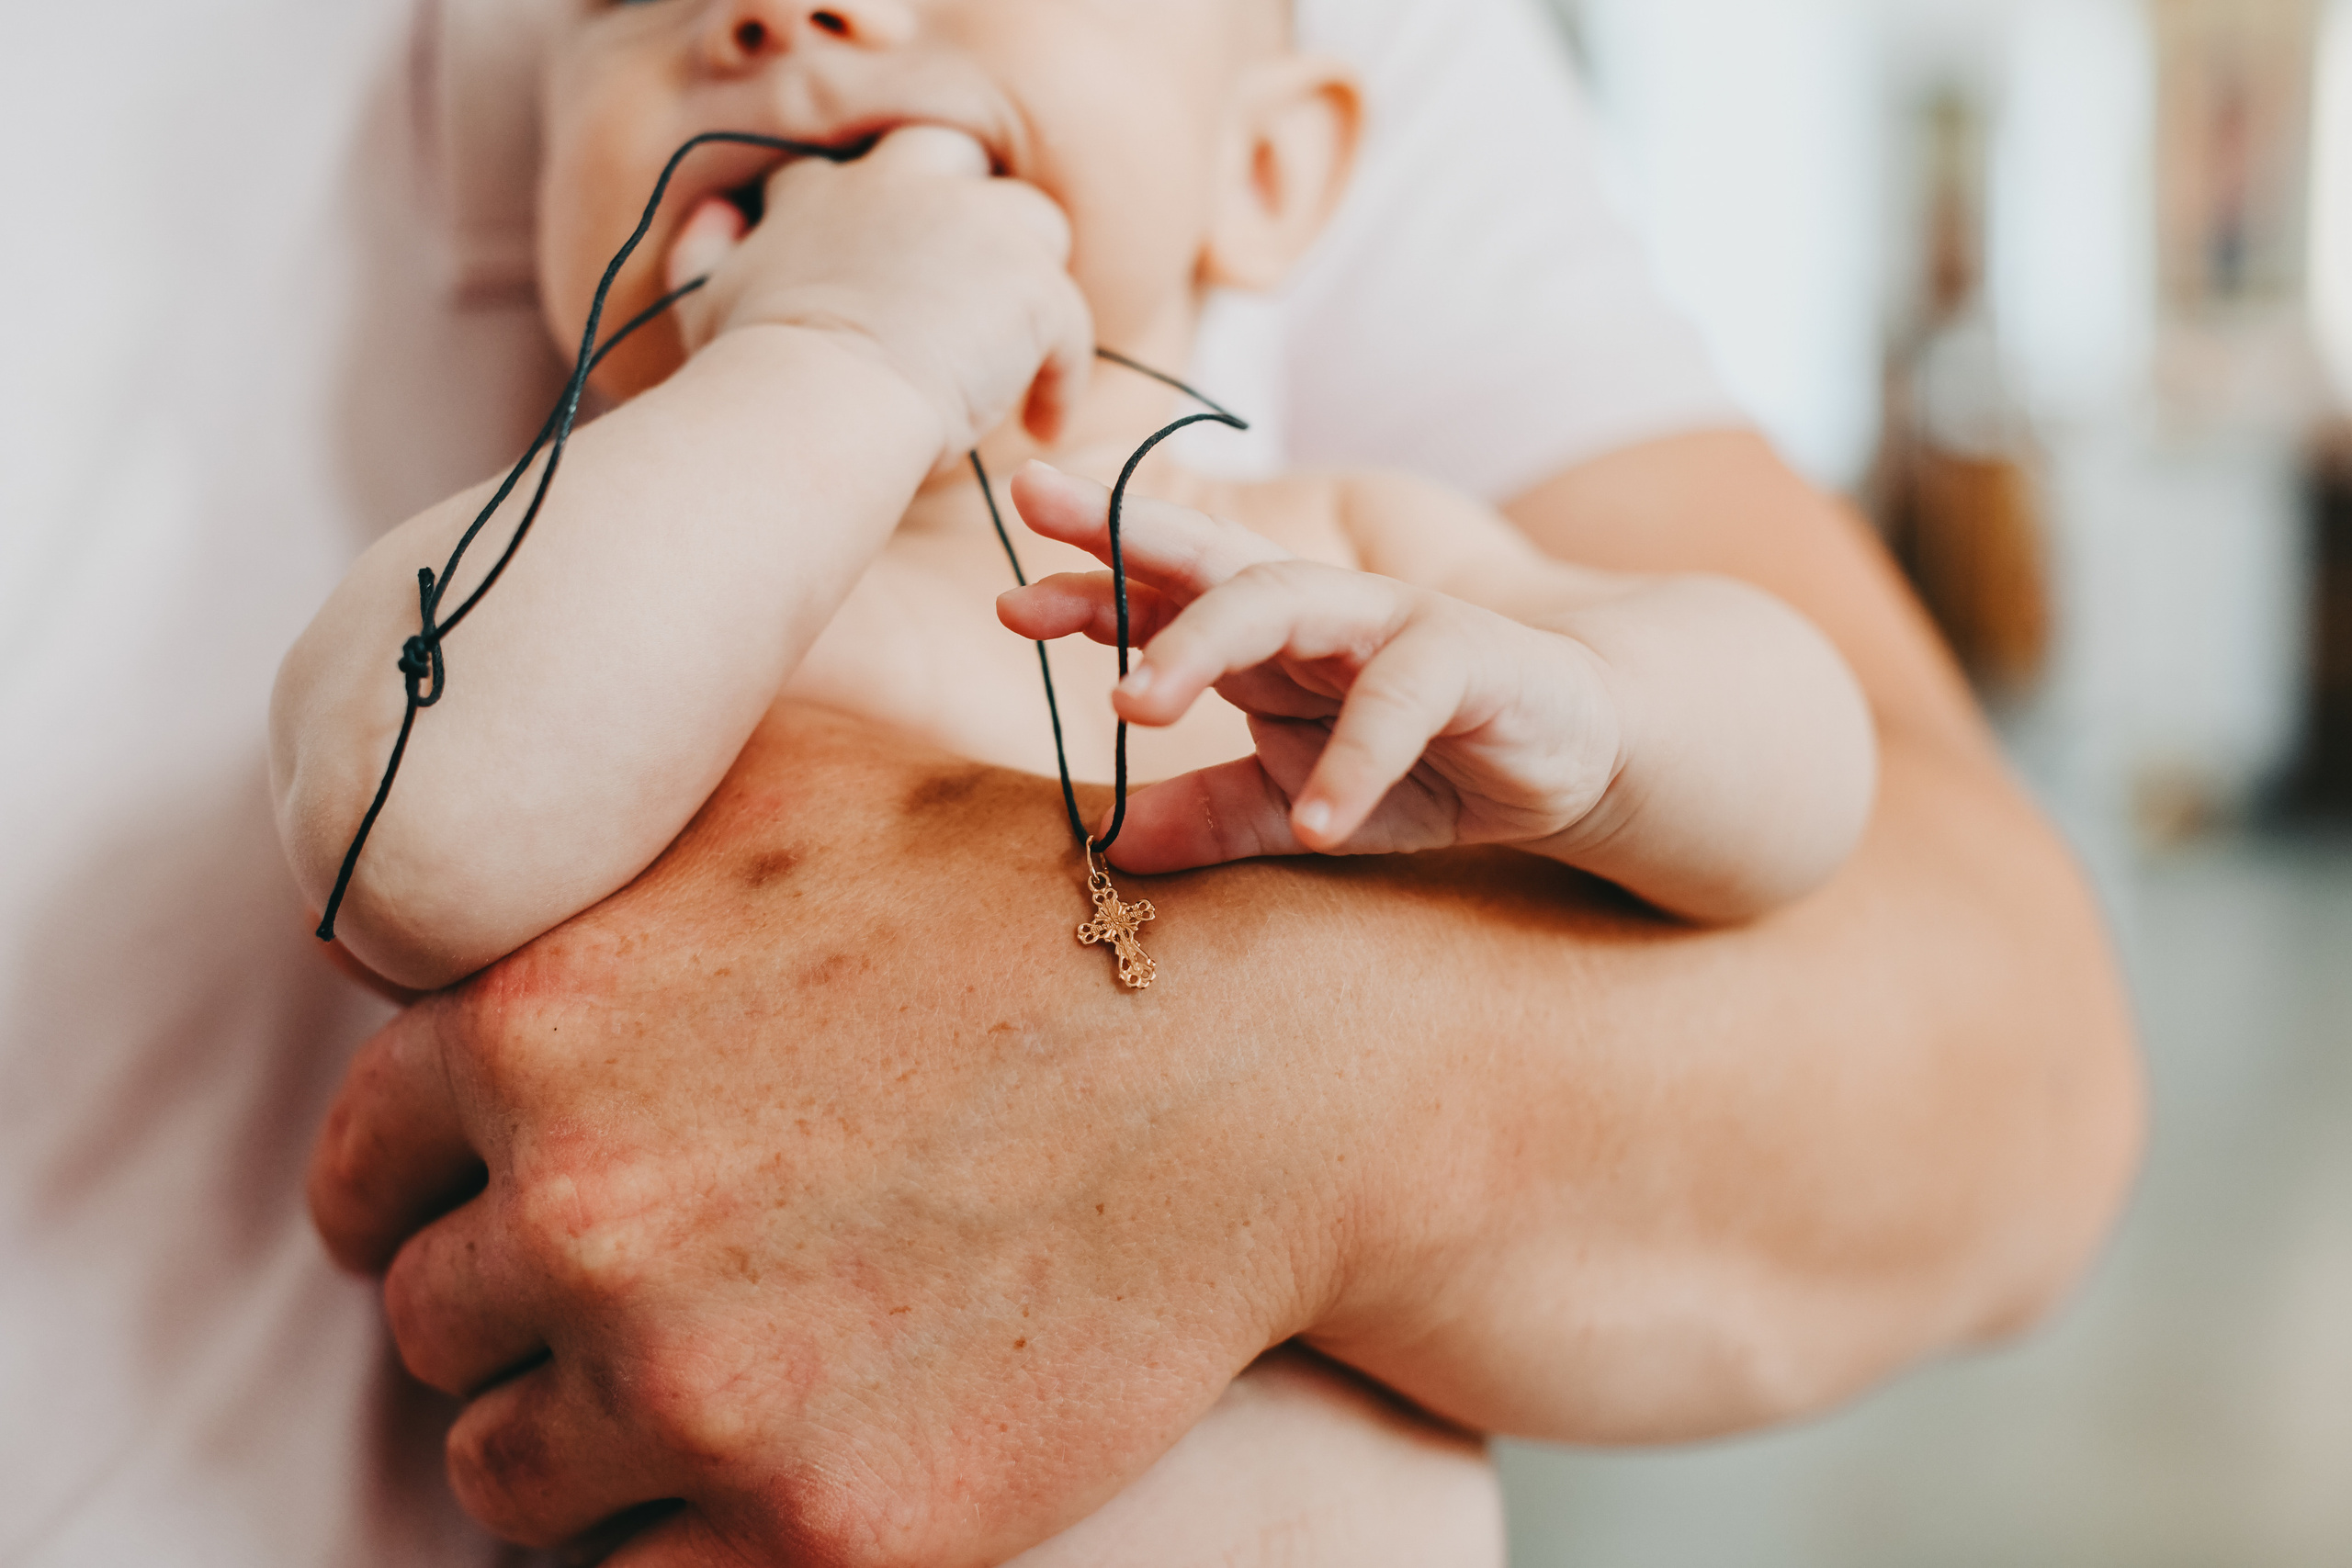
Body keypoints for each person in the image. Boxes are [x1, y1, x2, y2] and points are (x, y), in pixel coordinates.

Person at [0, 1, 2142, 1565]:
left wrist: (1600, 722)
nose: (786, 18)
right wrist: (828, 364)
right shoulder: (568, 565)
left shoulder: (1347, 550)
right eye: (646, 10)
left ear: (1282, 166)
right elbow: (415, 833)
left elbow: (1825, 788)